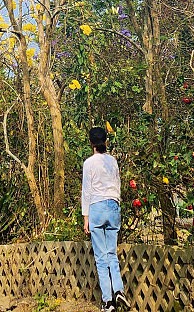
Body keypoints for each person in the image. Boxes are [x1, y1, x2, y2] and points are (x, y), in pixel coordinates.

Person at [82, 126, 127, 312]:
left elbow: (87, 191)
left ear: (91, 143)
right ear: (106, 141)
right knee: (111, 255)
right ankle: (119, 290)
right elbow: (117, 185)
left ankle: (108, 302)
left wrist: (86, 218)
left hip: (97, 208)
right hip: (113, 206)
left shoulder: (89, 163)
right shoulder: (113, 161)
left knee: (101, 258)